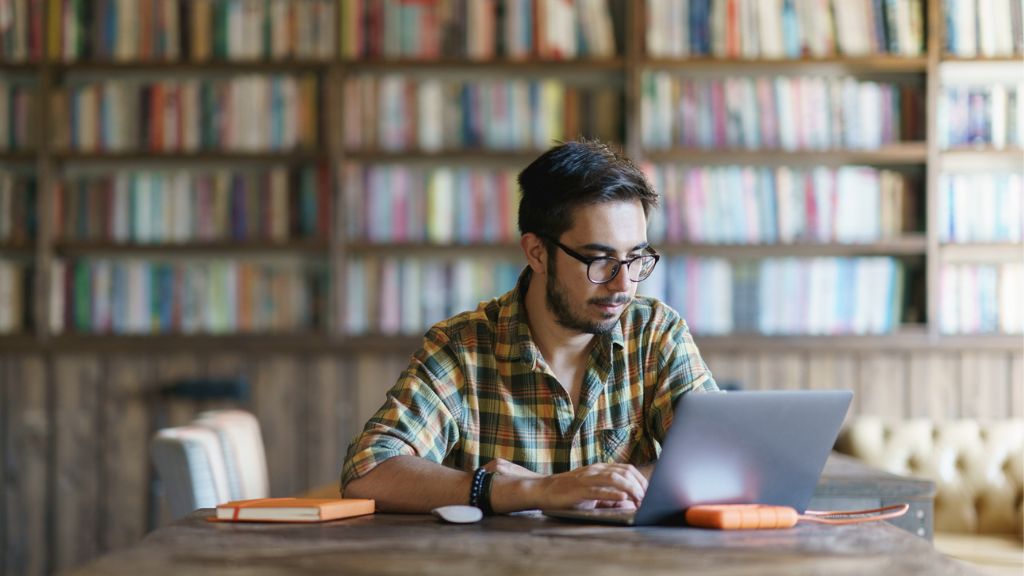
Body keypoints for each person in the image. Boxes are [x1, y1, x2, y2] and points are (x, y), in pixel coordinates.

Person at [342, 140, 718, 514]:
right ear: (537, 252)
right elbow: (368, 471)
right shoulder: (463, 349)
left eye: (635, 258)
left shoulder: (655, 334)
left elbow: (724, 460)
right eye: (599, 260)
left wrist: (610, 487)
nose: (624, 285)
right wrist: (532, 490)